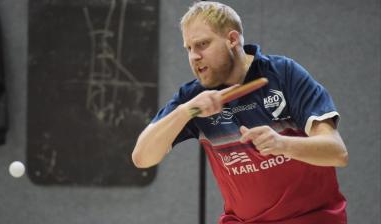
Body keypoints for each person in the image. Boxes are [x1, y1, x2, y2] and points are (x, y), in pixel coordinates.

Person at [132, 1, 348, 223]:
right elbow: (142, 157)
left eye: (202, 44)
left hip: (311, 218)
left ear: (232, 40)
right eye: (188, 48)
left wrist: (282, 144)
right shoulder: (193, 98)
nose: (194, 56)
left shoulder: (283, 74)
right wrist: (186, 111)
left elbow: (337, 152)